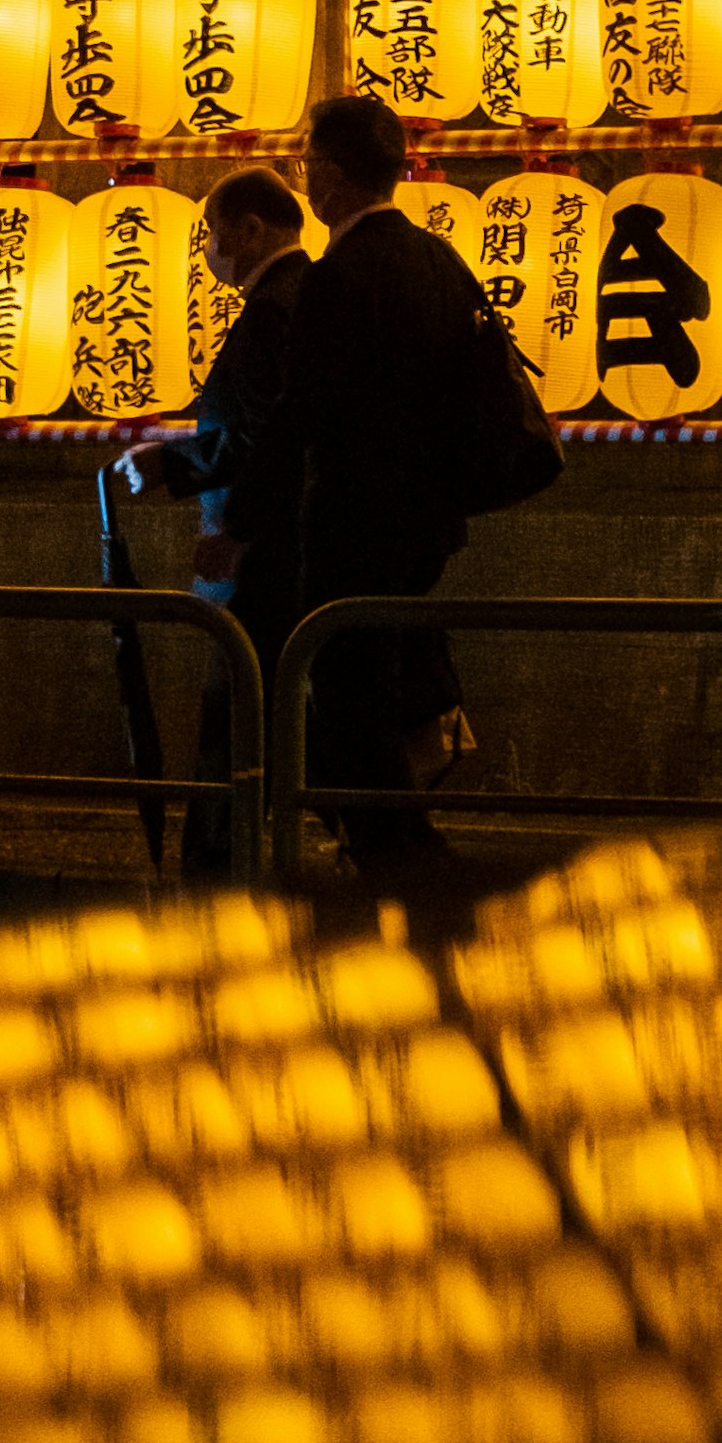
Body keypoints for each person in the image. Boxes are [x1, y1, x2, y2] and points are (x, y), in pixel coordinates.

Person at [288, 94, 491, 867]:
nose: (306, 178)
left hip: (353, 518)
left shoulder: (340, 274)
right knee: (382, 677)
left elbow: (299, 415)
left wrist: (225, 504)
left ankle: (394, 848)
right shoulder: (437, 260)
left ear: (332, 176)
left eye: (309, 162)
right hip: (427, 520)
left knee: (348, 689)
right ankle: (398, 836)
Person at [120, 168, 309, 878]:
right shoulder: (298, 299)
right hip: (269, 542)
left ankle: (214, 872)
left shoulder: (275, 310)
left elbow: (267, 437)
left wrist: (189, 475)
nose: (209, 249)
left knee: (234, 719)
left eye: (213, 232)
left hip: (259, 555)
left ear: (252, 229)